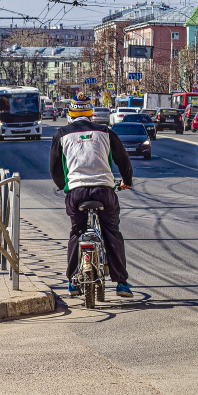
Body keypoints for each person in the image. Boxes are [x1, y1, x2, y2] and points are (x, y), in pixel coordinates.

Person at [49, 94, 134, 298]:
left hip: (76, 193)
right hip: (104, 191)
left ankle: (72, 281)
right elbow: (123, 160)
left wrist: (64, 186)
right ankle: (121, 283)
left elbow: (54, 168)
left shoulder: (61, 134)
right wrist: (127, 181)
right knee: (112, 232)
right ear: (90, 113)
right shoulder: (105, 132)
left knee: (76, 232)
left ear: (70, 113)